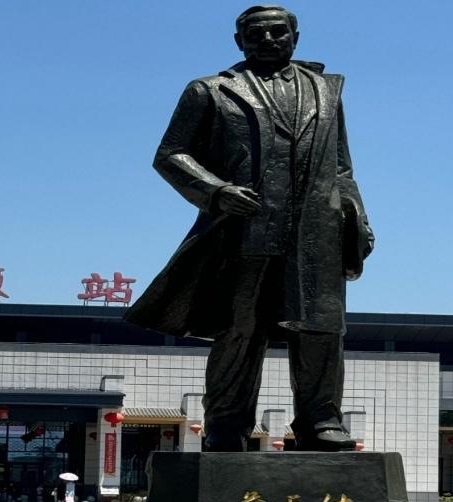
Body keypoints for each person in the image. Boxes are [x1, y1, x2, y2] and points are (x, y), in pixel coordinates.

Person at [125, 5, 374, 452]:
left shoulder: (326, 90)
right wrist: (216, 191)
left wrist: (357, 216)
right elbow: (171, 155)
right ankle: (226, 425)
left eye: (279, 31)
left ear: (296, 37)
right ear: (239, 41)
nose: (269, 39)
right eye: (256, 33)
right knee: (240, 330)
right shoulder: (210, 90)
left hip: (316, 235)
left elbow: (341, 167)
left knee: (319, 332)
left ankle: (321, 421)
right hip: (245, 231)